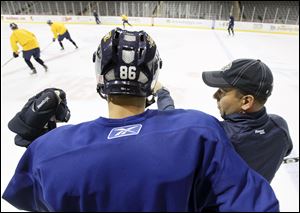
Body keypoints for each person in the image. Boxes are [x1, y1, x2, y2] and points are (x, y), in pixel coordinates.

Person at [2, 28, 279, 212]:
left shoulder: (50, 152)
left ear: (101, 76)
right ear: (152, 78)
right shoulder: (200, 131)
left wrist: (42, 142)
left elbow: (34, 198)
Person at [155, 58, 293, 183]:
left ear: (246, 101)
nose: (215, 96)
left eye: (222, 91)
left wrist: (162, 94)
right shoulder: (280, 127)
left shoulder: (216, 136)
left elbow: (171, 124)